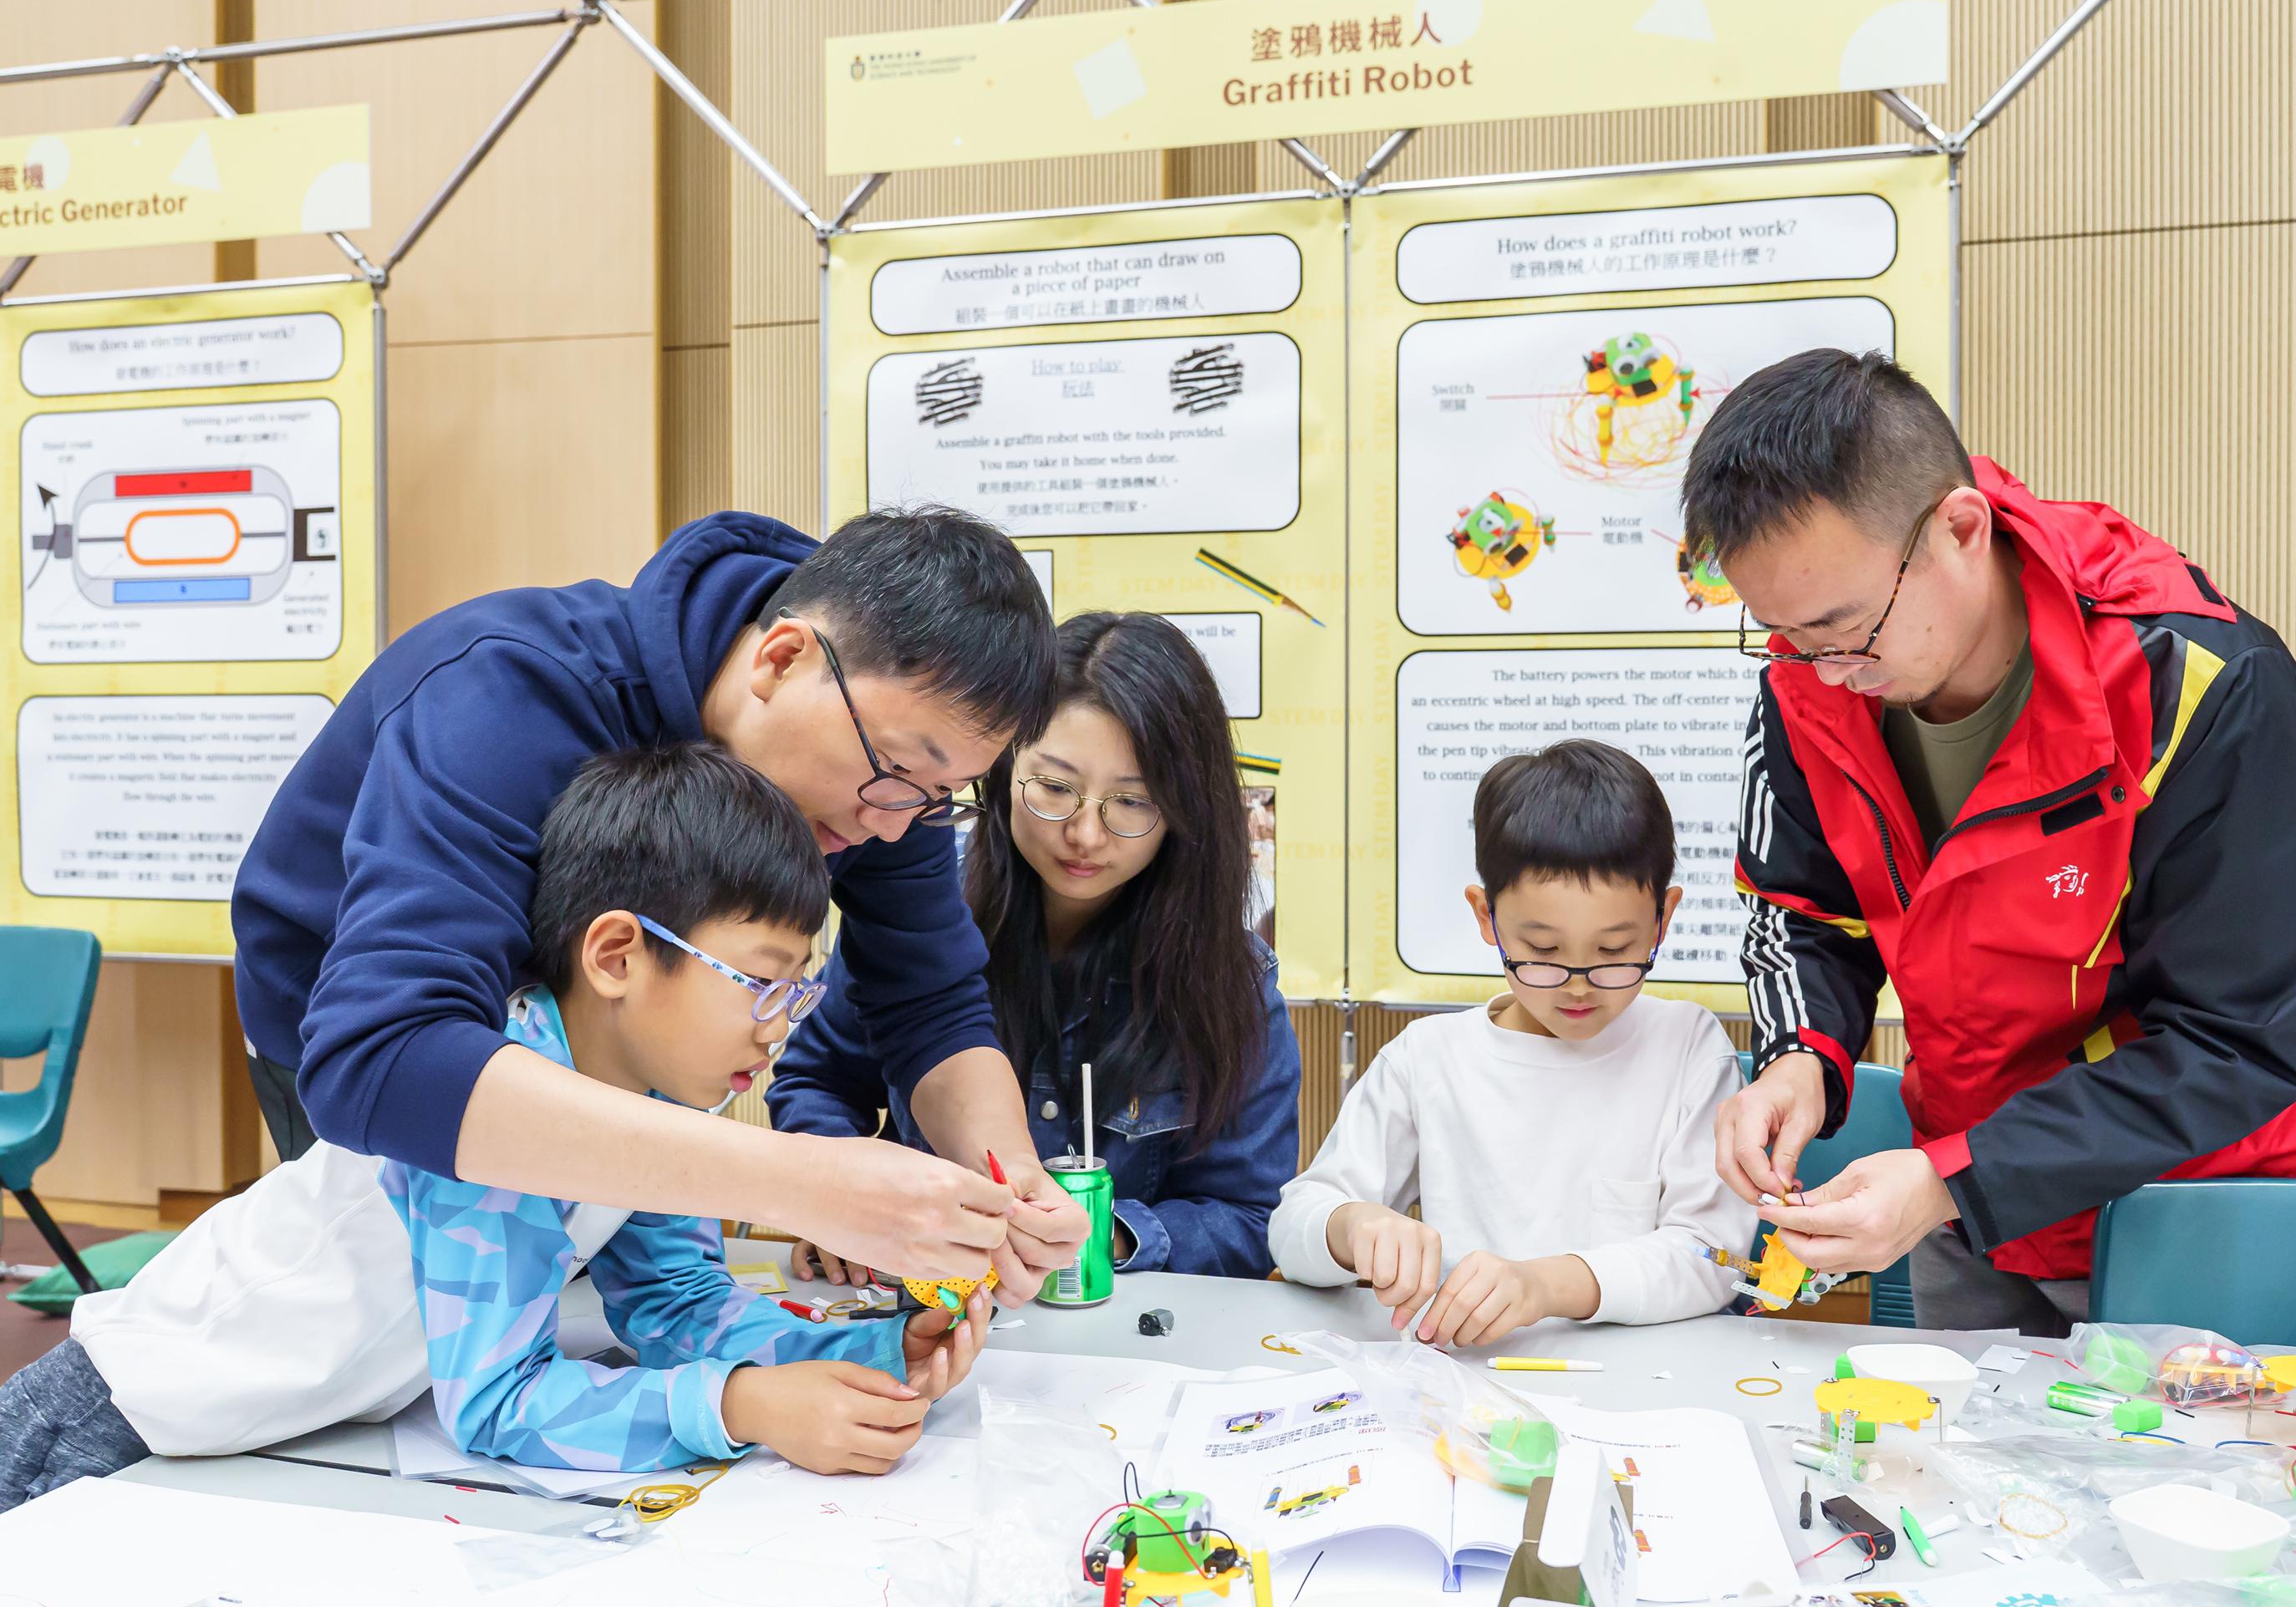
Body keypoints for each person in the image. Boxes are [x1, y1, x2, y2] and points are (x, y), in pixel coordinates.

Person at [0, 743, 991, 1510]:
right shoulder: (500, 1108)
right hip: (127, 1420)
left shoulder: (660, 1104)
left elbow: (677, 1303)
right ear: (617, 954)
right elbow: (499, 1404)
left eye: (799, 989)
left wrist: (873, 1356)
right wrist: (737, 1406)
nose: (779, 1025)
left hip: (286, 1436)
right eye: (759, 982)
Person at [229, 507, 1087, 1303]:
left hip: (602, 1075)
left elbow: (928, 997)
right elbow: (382, 1057)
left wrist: (1009, 1177)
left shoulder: (887, 781)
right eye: (900, 774)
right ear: (781, 658)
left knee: (616, 1322)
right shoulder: (505, 693)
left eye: (940, 795)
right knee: (400, 1348)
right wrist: (802, 1179)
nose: (895, 826)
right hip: (371, 1050)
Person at [1688, 349, 2296, 1335]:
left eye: (1843, 627)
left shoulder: (2194, 686)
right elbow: (1803, 907)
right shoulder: (1811, 683)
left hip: (2181, 1217)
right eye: (1781, 634)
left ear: (1959, 527)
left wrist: (1958, 1176)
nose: (1822, 669)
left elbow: (2237, 1041)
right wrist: (1799, 1054)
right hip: (1963, 1208)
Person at [770, 613, 1302, 1281]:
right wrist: (843, 1202)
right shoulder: (916, 921)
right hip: (930, 1312)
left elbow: (1253, 1217)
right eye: (1054, 788)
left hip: (1128, 1347)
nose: (1085, 834)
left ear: (1183, 813)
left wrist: (1103, 1237)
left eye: (1132, 803)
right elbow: (816, 1081)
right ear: (1001, 768)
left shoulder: (1232, 983)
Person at [1269, 740, 1755, 1344]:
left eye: (1613, 952)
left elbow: (1712, 1259)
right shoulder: (1429, 1060)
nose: (1579, 987)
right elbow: (1293, 1228)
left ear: (1663, 919)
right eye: (1544, 952)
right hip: (1467, 1390)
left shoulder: (1687, 1047)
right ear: (1485, 916)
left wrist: (1544, 1286)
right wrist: (1351, 1226)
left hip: (1644, 1389)